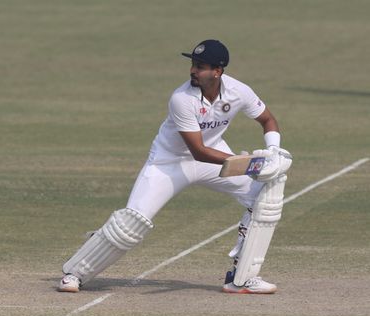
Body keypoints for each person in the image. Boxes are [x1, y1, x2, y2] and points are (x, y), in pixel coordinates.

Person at [58, 39, 292, 294]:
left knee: (264, 198)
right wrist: (250, 165)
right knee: (130, 224)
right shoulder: (181, 98)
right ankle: (75, 273)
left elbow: (267, 120)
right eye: (193, 64)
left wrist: (273, 151)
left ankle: (242, 278)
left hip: (213, 156)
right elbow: (198, 151)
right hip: (168, 163)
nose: (193, 70)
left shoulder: (240, 91)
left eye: (200, 66)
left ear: (217, 71)